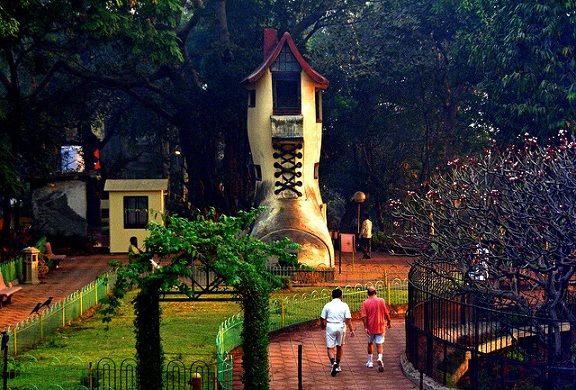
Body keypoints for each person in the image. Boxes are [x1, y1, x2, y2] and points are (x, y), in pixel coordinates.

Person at [320, 288, 355, 377]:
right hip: (341, 326)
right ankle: (337, 365)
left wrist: (323, 326)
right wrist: (351, 329)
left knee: (330, 348)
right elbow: (348, 319)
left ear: (332, 296)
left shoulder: (327, 305)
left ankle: (333, 363)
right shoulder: (344, 305)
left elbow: (322, 318)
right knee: (340, 346)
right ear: (341, 296)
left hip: (330, 326)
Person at [361, 286, 391, 372]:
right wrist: (389, 322)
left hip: (371, 327)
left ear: (368, 293)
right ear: (375, 292)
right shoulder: (381, 301)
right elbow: (386, 313)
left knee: (370, 343)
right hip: (380, 326)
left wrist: (365, 327)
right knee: (379, 344)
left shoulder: (365, 303)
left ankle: (370, 362)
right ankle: (380, 358)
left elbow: (364, 316)